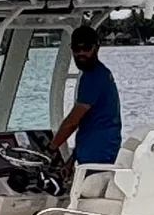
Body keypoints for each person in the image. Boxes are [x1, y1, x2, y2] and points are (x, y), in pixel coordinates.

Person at [51, 23, 122, 173]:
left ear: (96, 47)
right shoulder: (99, 74)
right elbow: (88, 123)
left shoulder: (94, 78)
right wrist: (72, 159)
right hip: (97, 152)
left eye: (86, 48)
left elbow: (72, 122)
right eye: (76, 49)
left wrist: (51, 148)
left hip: (98, 158)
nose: (81, 53)